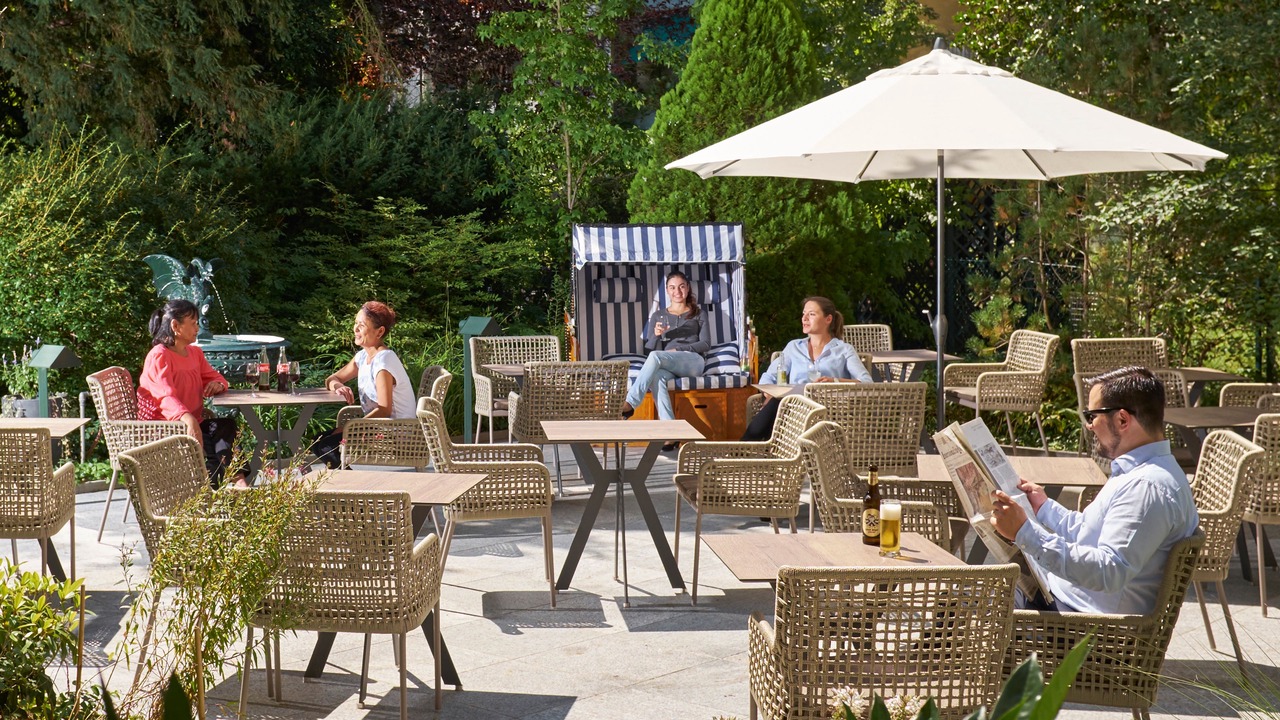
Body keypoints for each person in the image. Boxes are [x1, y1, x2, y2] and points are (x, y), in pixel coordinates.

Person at [990, 366, 1199, 614]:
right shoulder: (1142, 470)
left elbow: (1108, 572)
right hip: (1062, 602)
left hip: (1081, 624)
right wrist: (1044, 507)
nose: (1089, 426)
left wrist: (1025, 532)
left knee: (961, 610)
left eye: (1091, 416)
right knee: (961, 599)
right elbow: (1089, 532)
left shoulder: (1146, 487)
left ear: (1122, 420)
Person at [137, 299, 246, 488]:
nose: (197, 328)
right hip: (164, 428)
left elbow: (217, 378)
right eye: (193, 323)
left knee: (226, 427)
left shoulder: (195, 353)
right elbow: (165, 397)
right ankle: (219, 490)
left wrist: (218, 385)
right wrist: (188, 419)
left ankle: (237, 482)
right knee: (212, 442)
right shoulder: (159, 356)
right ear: (175, 326)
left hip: (192, 423)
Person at [741, 297, 872, 441]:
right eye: (804, 314)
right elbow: (768, 377)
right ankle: (750, 448)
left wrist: (834, 381)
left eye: (812, 314)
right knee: (776, 401)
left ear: (828, 319)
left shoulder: (844, 349)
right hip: (795, 411)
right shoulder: (794, 347)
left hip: (830, 412)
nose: (804, 318)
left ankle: (746, 448)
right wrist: (770, 394)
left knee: (776, 405)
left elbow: (867, 383)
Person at [312, 301, 416, 468]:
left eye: (361, 325)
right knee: (317, 441)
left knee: (326, 445)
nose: (355, 329)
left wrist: (354, 426)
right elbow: (332, 378)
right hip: (376, 426)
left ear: (380, 331)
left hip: (395, 431)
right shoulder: (362, 357)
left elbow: (384, 409)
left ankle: (346, 479)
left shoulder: (383, 361)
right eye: (355, 323)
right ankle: (346, 478)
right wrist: (339, 386)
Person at [620, 271, 711, 443]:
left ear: (687, 288)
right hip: (669, 364)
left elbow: (706, 344)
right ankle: (671, 433)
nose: (677, 291)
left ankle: (630, 403)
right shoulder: (658, 316)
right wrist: (655, 336)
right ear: (667, 291)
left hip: (693, 361)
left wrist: (679, 349)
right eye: (672, 287)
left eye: (681, 286)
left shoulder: (699, 314)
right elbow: (649, 350)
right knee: (656, 377)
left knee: (656, 357)